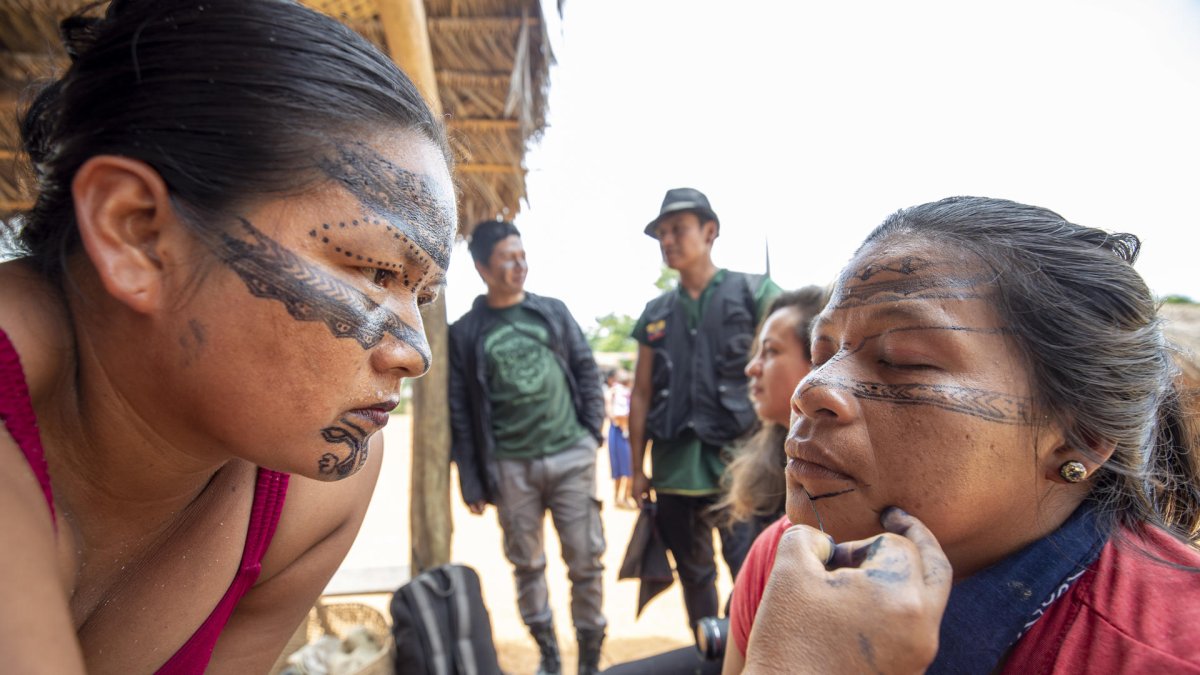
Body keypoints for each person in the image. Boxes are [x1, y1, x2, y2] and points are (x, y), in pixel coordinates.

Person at [0, 1, 457, 673]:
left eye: (420, 297)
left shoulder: (317, 492)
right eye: (376, 272)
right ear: (137, 233)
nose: (415, 353)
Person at [724, 196, 1200, 674]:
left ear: (1081, 436)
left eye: (902, 359)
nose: (812, 389)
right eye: (822, 353)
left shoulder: (1168, 652)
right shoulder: (790, 564)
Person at [448, 220, 607, 675]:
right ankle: (550, 657)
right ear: (481, 267)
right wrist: (473, 479)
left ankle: (590, 659)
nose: (519, 266)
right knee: (527, 565)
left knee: (585, 561)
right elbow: (460, 410)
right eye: (506, 259)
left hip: (570, 457)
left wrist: (591, 434)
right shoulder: (465, 333)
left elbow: (585, 370)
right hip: (510, 469)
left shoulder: (553, 312)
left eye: (521, 255)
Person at [629, 187, 782, 634]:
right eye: (661, 234)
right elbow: (640, 393)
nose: (668, 241)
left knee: (750, 572)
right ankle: (708, 654)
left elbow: (790, 364)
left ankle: (751, 657)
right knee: (695, 577)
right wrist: (637, 468)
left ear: (710, 231)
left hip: (740, 468)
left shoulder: (756, 293)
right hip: (674, 471)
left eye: (678, 229)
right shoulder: (655, 314)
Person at [717, 286, 827, 538]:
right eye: (757, 353)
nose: (751, 368)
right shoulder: (772, 464)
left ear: (819, 361)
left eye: (771, 351)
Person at [605, 368, 636, 509]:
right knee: (619, 466)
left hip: (626, 432)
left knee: (629, 467)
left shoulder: (627, 395)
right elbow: (613, 414)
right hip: (619, 431)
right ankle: (618, 498)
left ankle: (625, 497)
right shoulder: (614, 394)